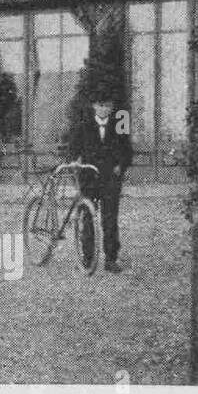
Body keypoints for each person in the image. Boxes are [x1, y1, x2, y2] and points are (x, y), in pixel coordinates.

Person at [68, 93, 133, 273]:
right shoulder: (84, 127)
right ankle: (88, 258)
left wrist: (121, 165)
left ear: (111, 109)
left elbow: (127, 150)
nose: (103, 109)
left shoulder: (119, 126)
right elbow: (73, 149)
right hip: (89, 177)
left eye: (107, 106)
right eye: (100, 104)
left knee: (110, 219)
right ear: (94, 106)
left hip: (110, 178)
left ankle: (111, 259)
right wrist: (74, 161)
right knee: (87, 218)